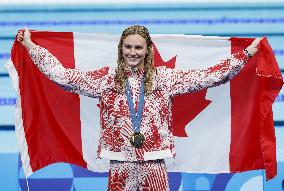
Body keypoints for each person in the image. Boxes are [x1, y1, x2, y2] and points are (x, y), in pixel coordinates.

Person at [17, 25, 262, 191]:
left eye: (138, 48)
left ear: (147, 51)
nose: (133, 53)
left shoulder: (164, 78)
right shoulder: (107, 79)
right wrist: (31, 47)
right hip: (120, 162)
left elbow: (210, 76)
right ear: (120, 49)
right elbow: (65, 77)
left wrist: (247, 53)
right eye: (128, 47)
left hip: (154, 162)